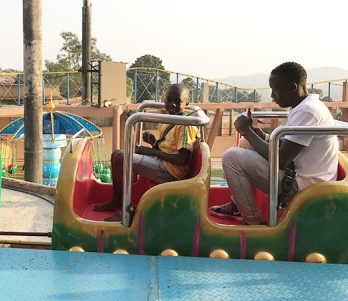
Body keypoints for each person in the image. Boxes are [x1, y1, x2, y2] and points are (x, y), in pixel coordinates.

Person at [210, 62, 339, 225]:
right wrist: (261, 137)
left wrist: (247, 131)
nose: (272, 96)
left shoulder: (308, 111)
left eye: (275, 90)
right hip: (298, 175)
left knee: (231, 157)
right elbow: (288, 145)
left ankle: (253, 223)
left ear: (292, 87)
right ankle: (237, 206)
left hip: (307, 186)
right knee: (245, 143)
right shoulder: (303, 106)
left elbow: (282, 159)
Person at [93, 83, 200, 221]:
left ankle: (125, 209)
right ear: (164, 100)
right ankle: (116, 200)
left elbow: (182, 159)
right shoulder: (168, 119)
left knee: (120, 157)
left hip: (171, 172)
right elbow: (166, 148)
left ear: (186, 103)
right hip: (163, 164)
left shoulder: (185, 125)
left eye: (178, 101)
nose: (172, 105)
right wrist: (154, 143)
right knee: (116, 155)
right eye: (169, 100)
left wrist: (151, 151)